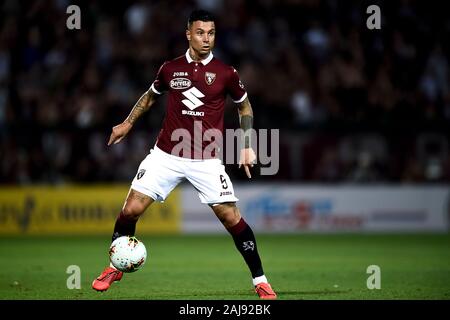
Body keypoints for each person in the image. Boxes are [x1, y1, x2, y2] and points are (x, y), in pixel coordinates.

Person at [92, 9, 277, 300]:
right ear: (188, 34)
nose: (207, 38)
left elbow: (245, 107)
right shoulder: (170, 68)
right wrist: (128, 122)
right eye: (201, 32)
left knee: (231, 218)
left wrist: (247, 143)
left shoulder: (227, 73)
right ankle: (114, 266)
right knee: (130, 210)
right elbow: (150, 96)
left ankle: (261, 280)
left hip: (206, 160)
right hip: (165, 155)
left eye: (212, 33)